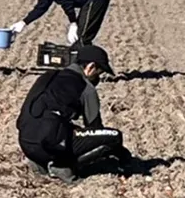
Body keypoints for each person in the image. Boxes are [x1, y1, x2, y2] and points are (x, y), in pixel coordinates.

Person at [15, 45, 134, 183]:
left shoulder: (47, 76)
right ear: (90, 67)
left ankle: (40, 162)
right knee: (114, 136)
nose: (98, 78)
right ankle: (61, 165)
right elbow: (95, 128)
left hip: (26, 142)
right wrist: (121, 153)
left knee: (62, 128)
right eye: (99, 73)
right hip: (51, 142)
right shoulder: (86, 87)